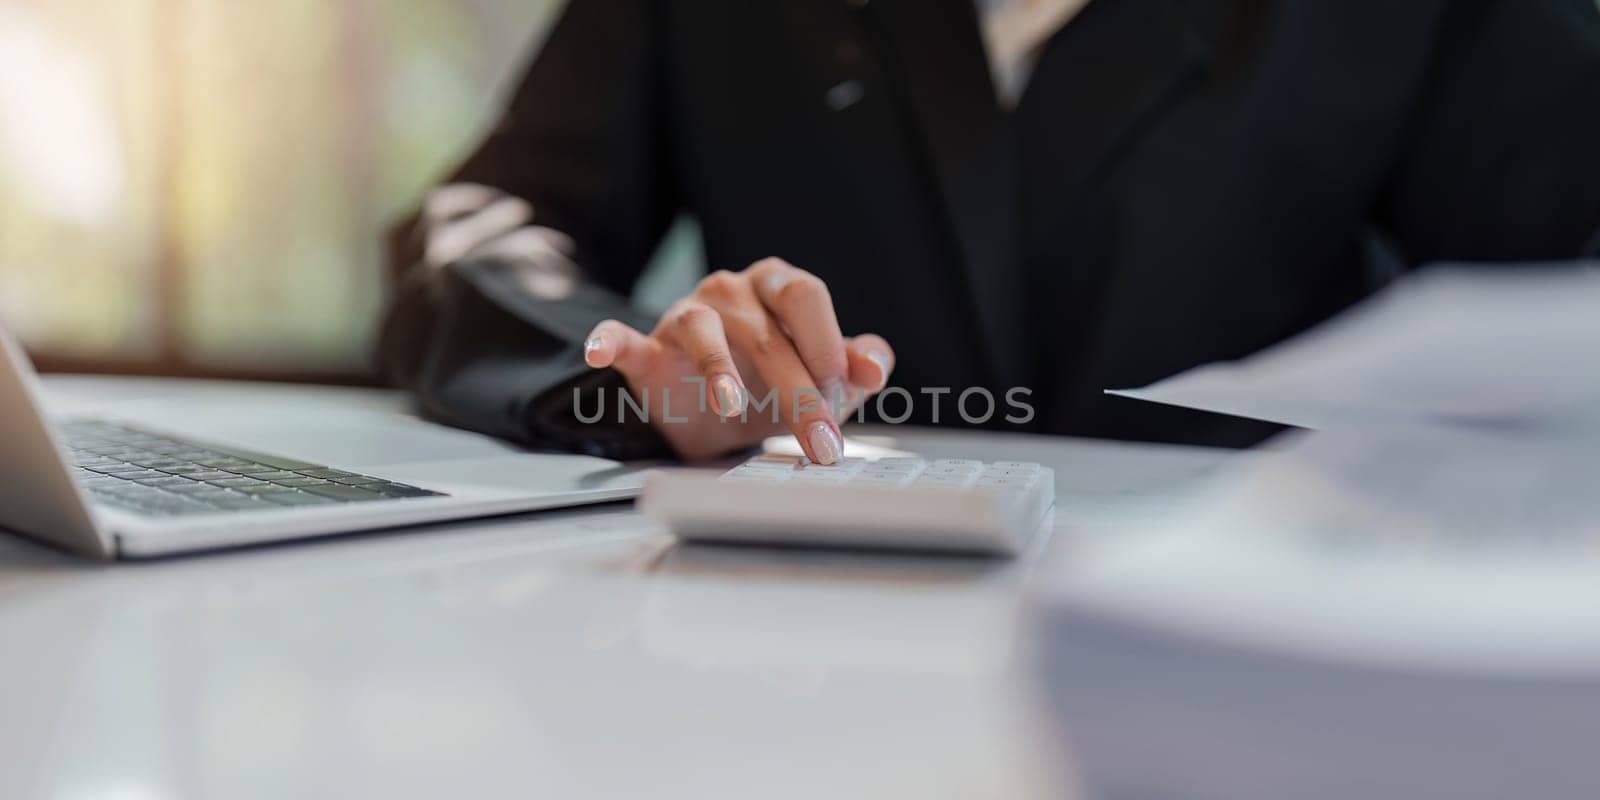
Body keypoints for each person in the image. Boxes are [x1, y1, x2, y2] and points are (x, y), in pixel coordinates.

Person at [378, 0, 1600, 465]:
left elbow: (1563, 289)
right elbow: (488, 222)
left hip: (1268, 648)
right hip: (792, 643)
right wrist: (646, 379)